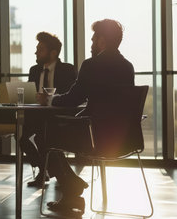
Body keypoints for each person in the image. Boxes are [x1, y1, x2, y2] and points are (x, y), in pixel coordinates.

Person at [37, 19, 135, 213]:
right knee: (52, 134)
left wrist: (50, 99)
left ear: (102, 41)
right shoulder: (128, 67)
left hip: (95, 138)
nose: (91, 44)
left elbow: (72, 100)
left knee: (44, 137)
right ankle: (72, 188)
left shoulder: (92, 65)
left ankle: (71, 188)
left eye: (93, 40)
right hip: (126, 139)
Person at [22, 32, 77, 187]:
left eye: (40, 49)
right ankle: (43, 168)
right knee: (20, 136)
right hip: (37, 115)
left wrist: (50, 99)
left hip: (58, 117)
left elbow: (71, 96)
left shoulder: (67, 70)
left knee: (42, 136)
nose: (36, 52)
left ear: (53, 53)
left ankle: (50, 171)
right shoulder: (34, 70)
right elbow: (29, 93)